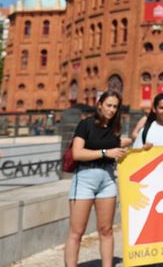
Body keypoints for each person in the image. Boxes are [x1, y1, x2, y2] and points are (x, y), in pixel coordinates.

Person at [65, 90, 131, 267]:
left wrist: (133, 142)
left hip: (108, 179)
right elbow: (77, 153)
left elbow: (120, 144)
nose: (111, 110)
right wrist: (105, 152)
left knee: (106, 230)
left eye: (115, 107)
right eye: (108, 105)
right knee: (77, 232)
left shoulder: (115, 129)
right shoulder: (85, 124)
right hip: (85, 177)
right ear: (99, 105)